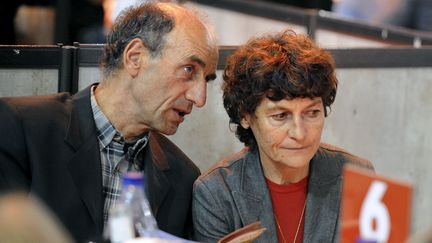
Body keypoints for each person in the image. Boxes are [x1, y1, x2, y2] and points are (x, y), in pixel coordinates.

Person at [0, 2, 218, 242]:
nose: (199, 98)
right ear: (135, 57)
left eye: (206, 80)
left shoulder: (182, 177)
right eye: (189, 70)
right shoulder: (21, 128)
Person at [192, 30, 373, 243]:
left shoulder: (356, 176)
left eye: (312, 113)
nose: (299, 133)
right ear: (246, 116)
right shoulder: (216, 193)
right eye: (280, 116)